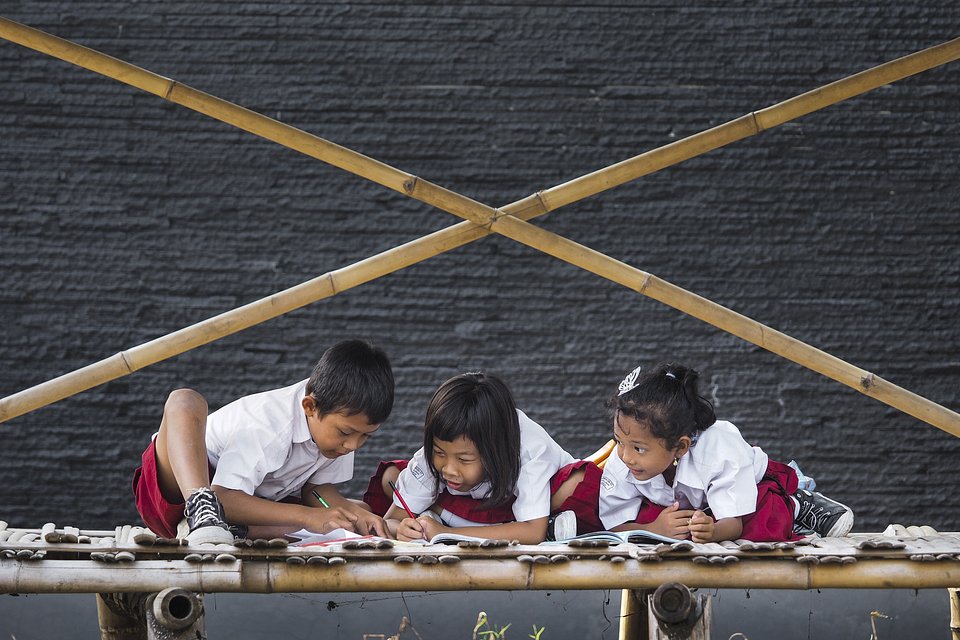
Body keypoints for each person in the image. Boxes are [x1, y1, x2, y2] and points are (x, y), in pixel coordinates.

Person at [132, 339, 395, 545]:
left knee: (351, 515)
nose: (353, 446)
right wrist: (309, 516)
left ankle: (228, 529)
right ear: (310, 406)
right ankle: (202, 514)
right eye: (346, 433)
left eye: (365, 436)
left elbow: (317, 492)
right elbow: (225, 497)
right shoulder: (270, 424)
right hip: (178, 488)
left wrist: (353, 513)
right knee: (185, 400)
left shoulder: (338, 426)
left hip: (241, 505)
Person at [598, 363, 854, 542]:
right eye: (619, 441)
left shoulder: (718, 452)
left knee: (761, 525)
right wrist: (655, 528)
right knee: (648, 526)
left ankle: (796, 502)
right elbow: (614, 522)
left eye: (639, 448)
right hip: (696, 502)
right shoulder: (623, 460)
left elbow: (732, 523)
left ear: (680, 447)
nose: (626, 456)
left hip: (752, 483)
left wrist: (713, 532)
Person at [363, 372, 602, 544]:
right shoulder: (436, 458)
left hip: (531, 510)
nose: (449, 469)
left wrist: (445, 534)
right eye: (439, 453)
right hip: (476, 510)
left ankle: (446, 521)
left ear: (494, 450)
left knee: (580, 482)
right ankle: (528, 529)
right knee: (391, 477)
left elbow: (532, 530)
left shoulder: (530, 448)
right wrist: (403, 530)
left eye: (464, 460)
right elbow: (392, 520)